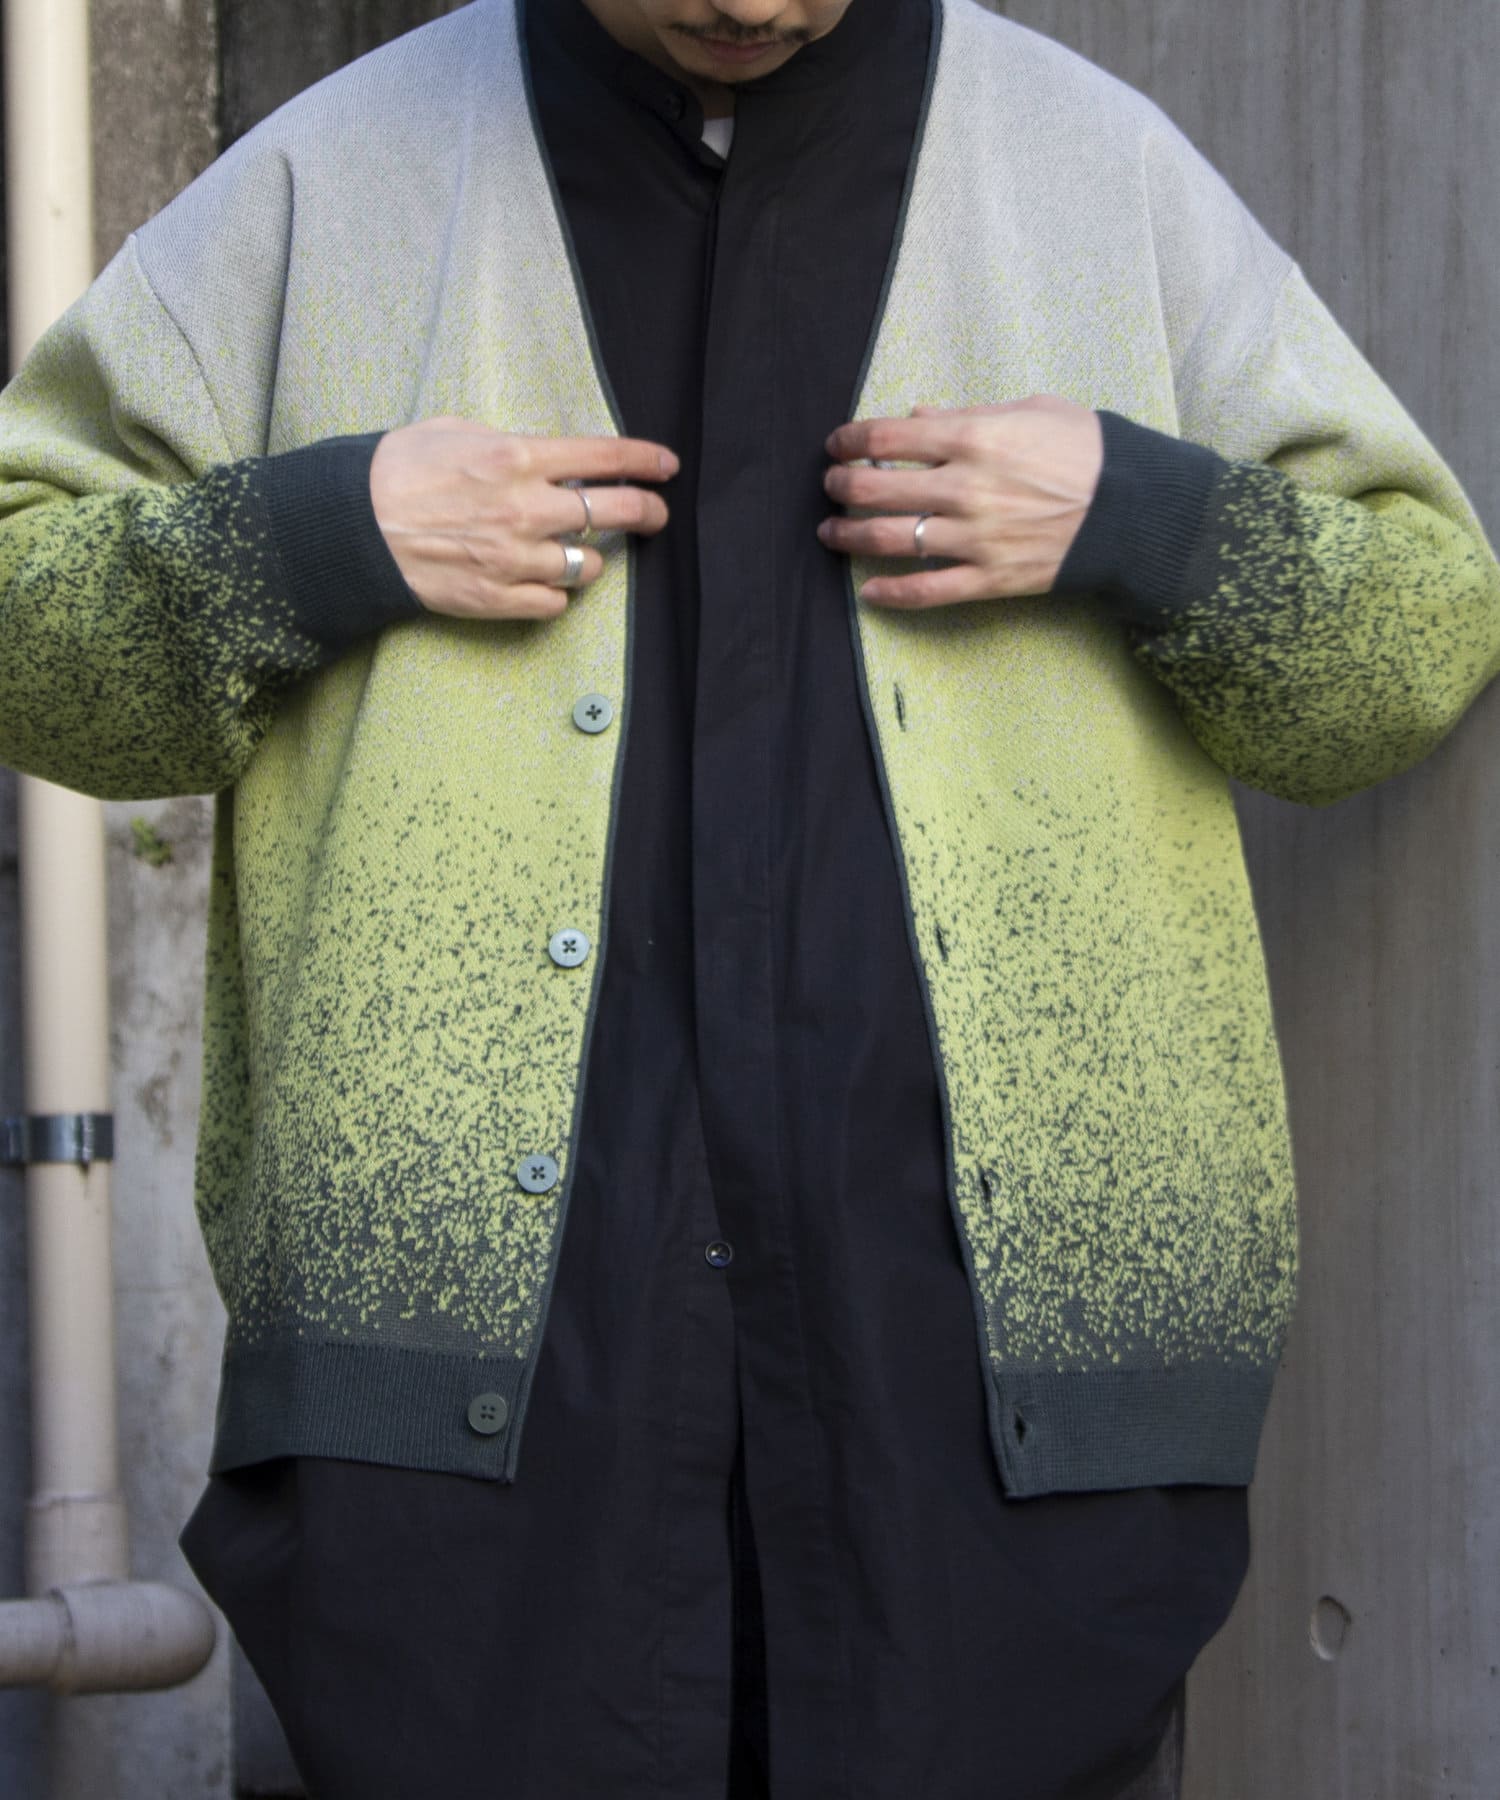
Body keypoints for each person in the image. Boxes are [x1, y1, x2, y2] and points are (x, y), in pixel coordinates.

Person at [1, 0, 1496, 1794]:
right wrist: (320, 538)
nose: (751, 4)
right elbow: (26, 630)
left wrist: (1144, 514)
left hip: (1008, 1440)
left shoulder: (1095, 171)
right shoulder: (332, 179)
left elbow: (1412, 645)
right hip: (453, 1448)